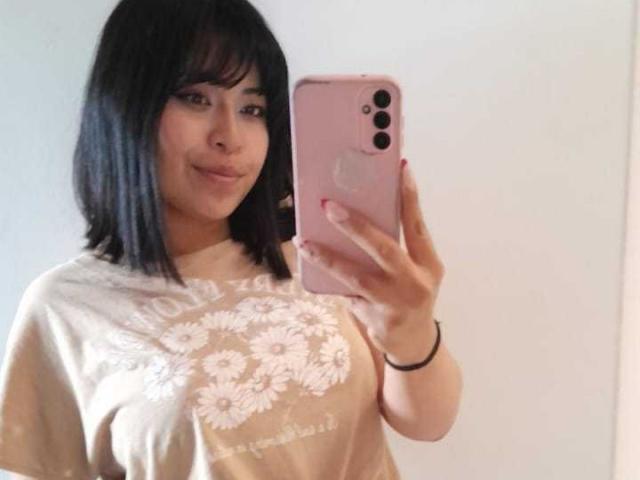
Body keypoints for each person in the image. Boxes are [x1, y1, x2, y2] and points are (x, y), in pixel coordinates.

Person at [0, 0, 463, 478]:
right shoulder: (64, 309)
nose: (231, 137)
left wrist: (412, 336)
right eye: (195, 98)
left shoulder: (319, 256)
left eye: (252, 108)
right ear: (127, 104)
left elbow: (427, 423)